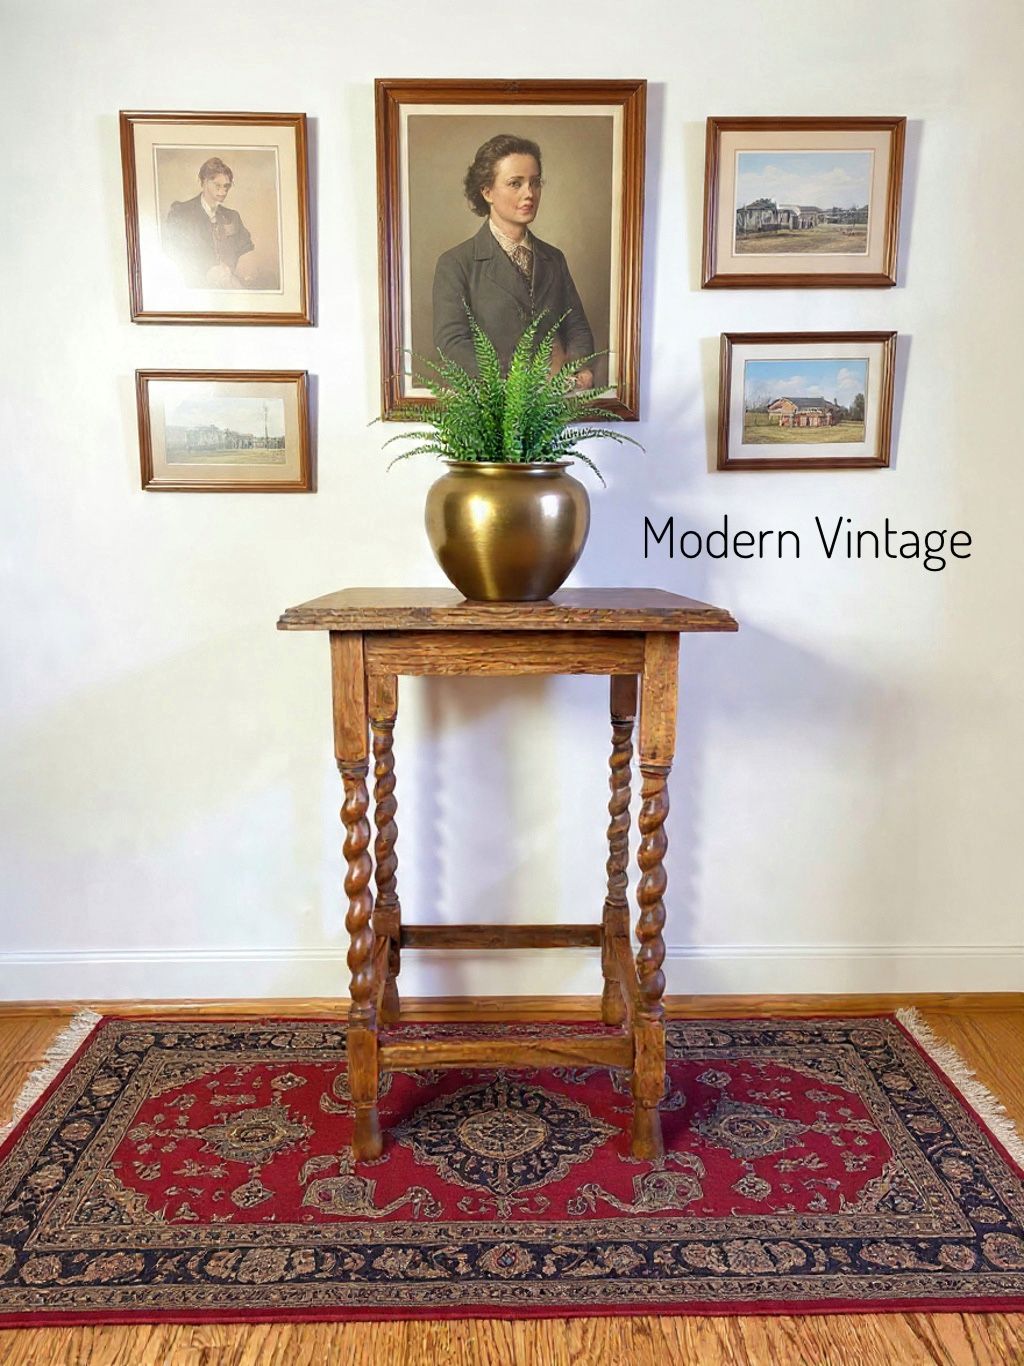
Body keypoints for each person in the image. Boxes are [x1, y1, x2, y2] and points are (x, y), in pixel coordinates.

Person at [432, 135, 595, 386]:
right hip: (492, 406)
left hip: (554, 402)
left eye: (535, 182)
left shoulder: (554, 259)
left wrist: (577, 368)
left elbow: (578, 328)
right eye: (515, 183)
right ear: (487, 192)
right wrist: (518, 380)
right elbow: (452, 343)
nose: (529, 193)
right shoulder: (457, 263)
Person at [163, 156, 255, 289]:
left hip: (230, 286)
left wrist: (233, 271)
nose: (223, 191)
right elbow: (172, 252)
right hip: (195, 286)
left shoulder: (232, 216)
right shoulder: (181, 213)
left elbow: (246, 249)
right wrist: (206, 271)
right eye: (218, 185)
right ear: (204, 182)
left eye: (226, 186)